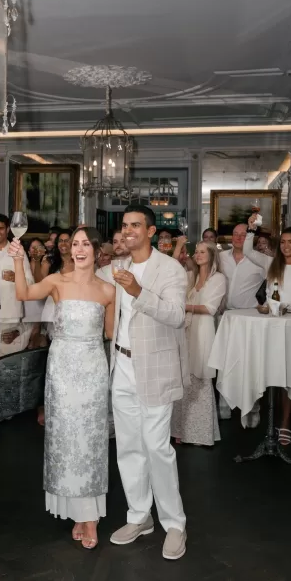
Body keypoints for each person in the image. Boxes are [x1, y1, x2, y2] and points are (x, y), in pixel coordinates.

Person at [9, 227, 115, 550]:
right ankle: (76, 512)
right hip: (61, 369)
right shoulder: (57, 282)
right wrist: (18, 261)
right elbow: (24, 294)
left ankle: (91, 516)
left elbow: (109, 334)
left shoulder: (109, 291)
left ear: (96, 251)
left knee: (91, 440)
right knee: (66, 439)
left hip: (93, 368)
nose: (79, 249)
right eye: (76, 244)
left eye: (86, 244)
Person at [98, 205, 188, 560]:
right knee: (129, 446)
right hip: (121, 364)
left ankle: (175, 523)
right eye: (124, 226)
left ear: (151, 231)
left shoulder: (170, 269)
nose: (129, 231)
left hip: (156, 368)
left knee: (157, 447)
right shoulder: (117, 267)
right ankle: (139, 516)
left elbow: (177, 316)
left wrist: (138, 291)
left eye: (136, 225)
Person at [245, 217, 291, 445]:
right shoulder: (272, 264)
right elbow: (248, 251)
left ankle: (285, 421)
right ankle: (268, 417)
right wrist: (251, 228)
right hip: (272, 326)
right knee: (272, 374)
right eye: (283, 242)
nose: (286, 246)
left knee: (289, 375)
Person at [171, 241, 226, 446]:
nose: (198, 254)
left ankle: (200, 434)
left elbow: (210, 308)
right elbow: (173, 271)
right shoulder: (190, 276)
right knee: (184, 378)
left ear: (212, 255)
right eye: (197, 251)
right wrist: (178, 250)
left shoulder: (218, 279)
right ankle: (180, 429)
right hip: (185, 332)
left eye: (203, 252)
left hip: (203, 332)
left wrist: (182, 306)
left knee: (201, 379)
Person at [217, 223, 265, 421]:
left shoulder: (260, 261)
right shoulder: (220, 258)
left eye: (243, 235)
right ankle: (224, 404)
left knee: (250, 364)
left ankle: (253, 407)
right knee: (223, 362)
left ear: (250, 238)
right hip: (223, 316)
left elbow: (276, 283)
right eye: (235, 234)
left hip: (249, 319)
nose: (238, 238)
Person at [0, 214, 34, 322]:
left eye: (1, 228)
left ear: (8, 229)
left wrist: (16, 277)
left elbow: (31, 283)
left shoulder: (18, 252)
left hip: (11, 314)